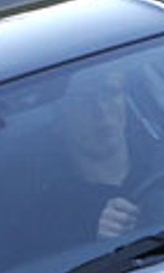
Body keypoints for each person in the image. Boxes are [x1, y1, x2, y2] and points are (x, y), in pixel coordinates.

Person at [50, 67, 144, 241]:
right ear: (59, 119)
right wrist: (100, 245)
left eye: (110, 93)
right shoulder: (50, 215)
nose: (100, 110)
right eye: (82, 100)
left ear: (126, 100)